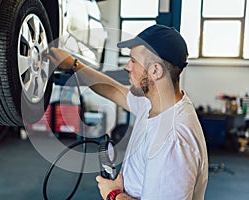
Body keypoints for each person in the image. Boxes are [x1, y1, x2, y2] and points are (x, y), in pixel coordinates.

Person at [47, 24, 208, 200]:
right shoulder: (154, 103)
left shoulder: (171, 140)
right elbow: (114, 90)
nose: (127, 67)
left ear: (155, 70)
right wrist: (74, 65)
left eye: (133, 61)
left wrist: (113, 194)